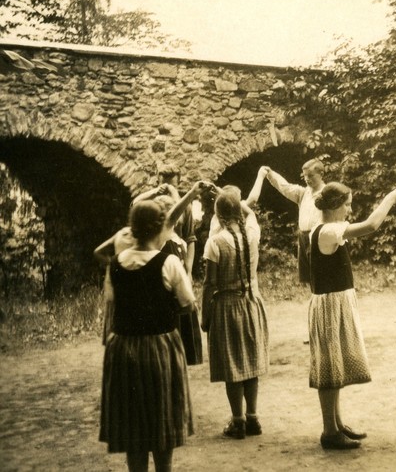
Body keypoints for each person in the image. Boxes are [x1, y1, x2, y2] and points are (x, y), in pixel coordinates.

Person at [99, 181, 207, 472]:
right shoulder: (169, 262)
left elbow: (113, 303)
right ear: (161, 228)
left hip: (123, 350)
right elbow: (188, 304)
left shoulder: (116, 263)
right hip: (160, 347)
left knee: (134, 425)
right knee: (161, 421)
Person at [308, 182, 396, 450]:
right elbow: (372, 226)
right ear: (333, 206)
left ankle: (336, 424)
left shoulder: (329, 230)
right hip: (330, 305)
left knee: (335, 363)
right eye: (348, 204)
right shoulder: (328, 230)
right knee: (330, 366)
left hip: (335, 302)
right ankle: (330, 431)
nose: (350, 209)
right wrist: (390, 196)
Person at [201, 168, 269, 439]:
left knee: (232, 365)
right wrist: (233, 199)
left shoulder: (215, 242)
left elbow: (209, 284)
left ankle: (238, 420)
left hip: (227, 307)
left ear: (217, 216)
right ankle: (253, 417)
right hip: (252, 302)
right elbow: (249, 214)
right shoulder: (252, 234)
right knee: (250, 362)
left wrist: (205, 315)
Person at [263, 160, 326, 284]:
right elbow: (285, 187)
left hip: (320, 237)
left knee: (321, 274)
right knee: (308, 277)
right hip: (303, 237)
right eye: (305, 176)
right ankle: (315, 299)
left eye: (311, 176)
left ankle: (323, 300)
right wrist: (270, 173)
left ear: (321, 174)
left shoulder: (327, 193)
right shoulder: (304, 193)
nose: (307, 179)